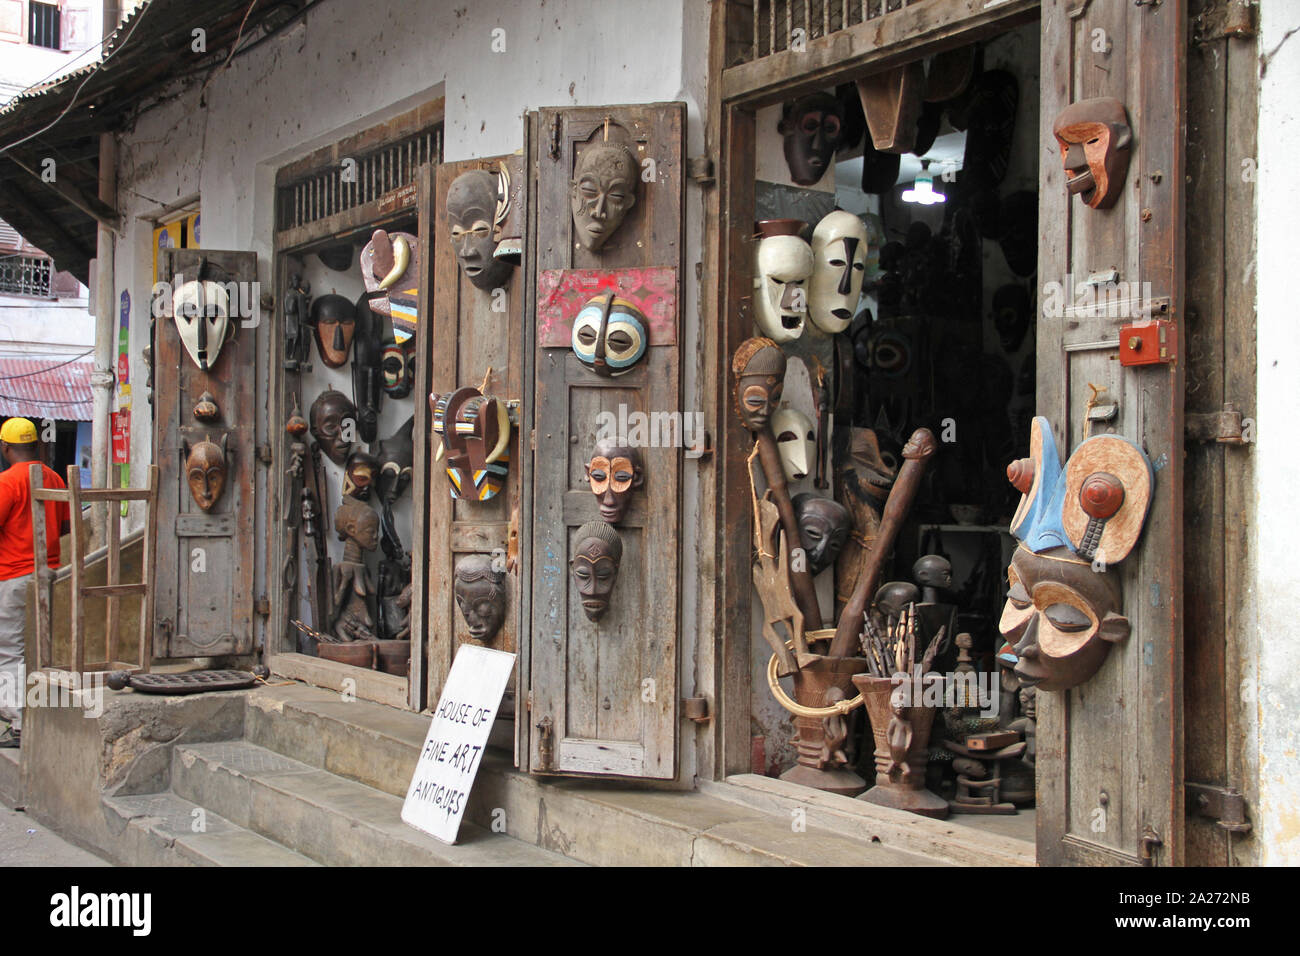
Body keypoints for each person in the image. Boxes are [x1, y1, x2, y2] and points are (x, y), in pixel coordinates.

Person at [0, 418, 70, 747]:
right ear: (37, 445)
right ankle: (39, 714)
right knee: (41, 649)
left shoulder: (8, 481)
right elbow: (67, 525)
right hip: (50, 574)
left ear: (5, 447)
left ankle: (18, 723)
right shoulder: (53, 477)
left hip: (14, 576)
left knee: (11, 650)